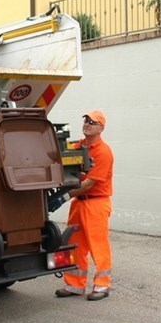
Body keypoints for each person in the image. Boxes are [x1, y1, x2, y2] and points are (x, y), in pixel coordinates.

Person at [50, 110, 114, 301]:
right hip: (79, 203)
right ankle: (75, 285)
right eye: (86, 120)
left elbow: (89, 184)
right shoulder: (78, 146)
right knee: (74, 244)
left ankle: (102, 286)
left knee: (98, 245)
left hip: (96, 203)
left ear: (101, 128)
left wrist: (64, 197)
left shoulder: (103, 152)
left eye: (92, 122)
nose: (87, 124)